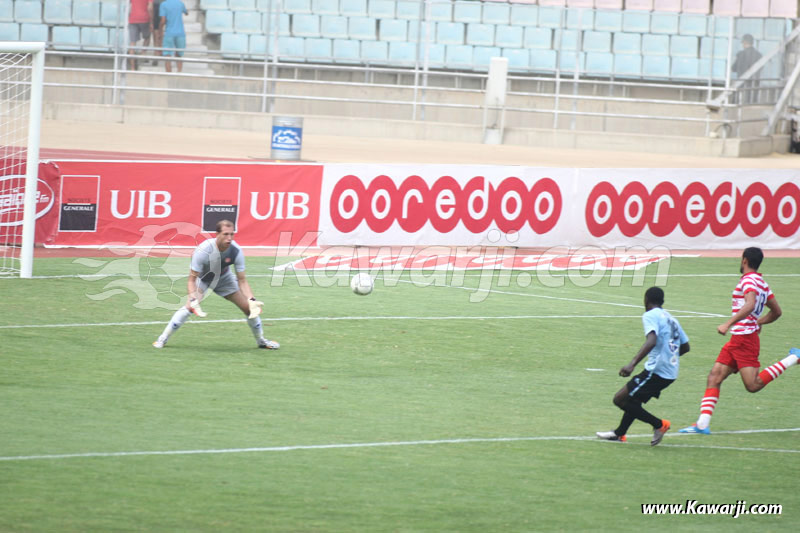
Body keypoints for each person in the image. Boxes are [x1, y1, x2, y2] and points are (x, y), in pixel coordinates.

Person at [680, 247, 798, 434]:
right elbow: (777, 312)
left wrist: (728, 323)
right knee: (715, 376)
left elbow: (750, 304)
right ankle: (702, 424)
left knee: (752, 385)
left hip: (745, 340)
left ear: (744, 260)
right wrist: (758, 322)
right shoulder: (762, 282)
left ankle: (793, 358)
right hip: (739, 338)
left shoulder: (749, 280)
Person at [153, 220, 280, 350]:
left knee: (250, 310)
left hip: (224, 279)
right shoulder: (203, 251)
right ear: (217, 234)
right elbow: (192, 279)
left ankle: (261, 341)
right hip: (202, 279)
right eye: (225, 234)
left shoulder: (236, 251)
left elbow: (242, 280)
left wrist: (252, 299)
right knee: (189, 308)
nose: (229, 238)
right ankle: (163, 338)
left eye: (231, 234)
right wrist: (192, 299)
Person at [596, 287, 690, 446]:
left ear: (646, 299)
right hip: (669, 372)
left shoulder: (650, 315)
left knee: (620, 399)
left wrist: (632, 364)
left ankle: (659, 425)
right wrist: (670, 357)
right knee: (634, 400)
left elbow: (651, 340)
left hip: (657, 370)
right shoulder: (671, 318)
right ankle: (619, 434)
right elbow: (686, 347)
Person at [731, 34, 762, 104]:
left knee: (737, 102)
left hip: (741, 83)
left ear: (744, 42)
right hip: (754, 83)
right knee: (751, 103)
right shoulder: (759, 55)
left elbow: (733, 68)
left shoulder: (741, 54)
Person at [159, 0, 188, 73]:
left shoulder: (163, 4)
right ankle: (179, 72)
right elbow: (186, 12)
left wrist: (160, 30)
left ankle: (169, 74)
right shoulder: (180, 3)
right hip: (180, 33)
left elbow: (163, 20)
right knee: (179, 55)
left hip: (169, 33)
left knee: (167, 55)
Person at [128, 0, 154, 71]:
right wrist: (151, 21)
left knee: (132, 44)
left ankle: (132, 68)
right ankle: (143, 52)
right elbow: (150, 8)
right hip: (144, 19)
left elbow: (129, 6)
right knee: (147, 37)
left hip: (133, 19)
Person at [151, 0, 164, 65]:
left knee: (157, 37)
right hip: (160, 18)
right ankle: (158, 53)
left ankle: (157, 53)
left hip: (158, 17)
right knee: (159, 37)